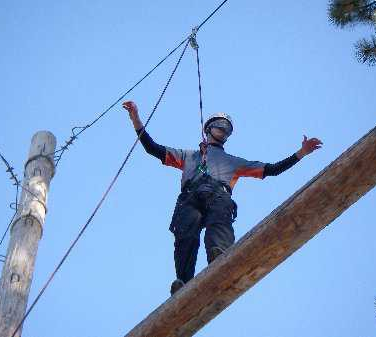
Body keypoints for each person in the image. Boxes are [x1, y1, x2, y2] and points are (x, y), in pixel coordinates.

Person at [122, 101, 322, 295]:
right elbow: (152, 148)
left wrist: (301, 153)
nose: (223, 130)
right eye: (220, 125)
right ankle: (183, 281)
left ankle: (220, 256)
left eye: (227, 128)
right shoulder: (188, 156)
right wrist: (136, 119)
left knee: (218, 222)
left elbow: (271, 170)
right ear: (208, 129)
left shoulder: (233, 162)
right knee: (186, 235)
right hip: (190, 197)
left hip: (218, 195)